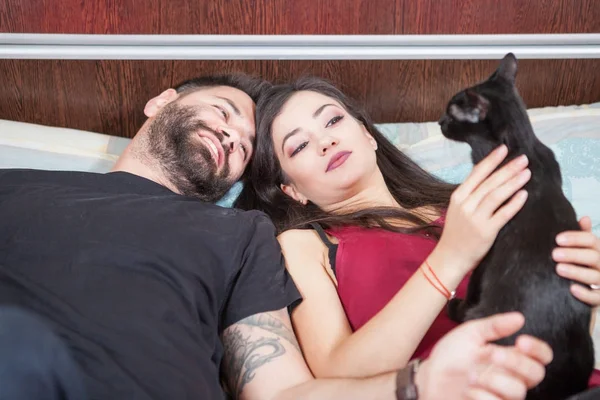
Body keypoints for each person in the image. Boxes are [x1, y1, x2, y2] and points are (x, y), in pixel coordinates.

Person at [0, 73, 561, 400]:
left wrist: (416, 383)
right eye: (223, 112)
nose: (230, 135)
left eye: (244, 145)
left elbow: (282, 393)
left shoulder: (239, 235)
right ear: (160, 103)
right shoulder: (14, 187)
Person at [235, 76, 600, 387]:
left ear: (367, 134)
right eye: (299, 146)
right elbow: (338, 375)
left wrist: (581, 289)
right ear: (292, 191)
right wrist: (450, 257)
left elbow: (550, 333)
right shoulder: (304, 245)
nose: (325, 142)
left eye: (332, 121)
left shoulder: (471, 202)